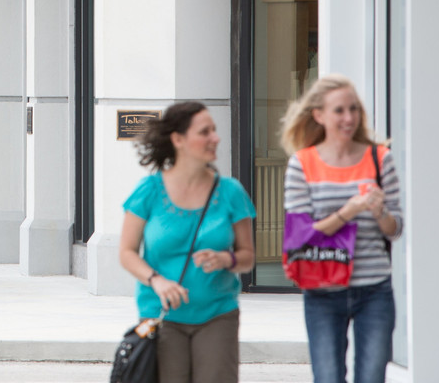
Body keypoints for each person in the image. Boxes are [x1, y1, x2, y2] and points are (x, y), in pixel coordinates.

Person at [119, 101, 256, 383]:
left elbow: (248, 256)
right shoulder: (149, 191)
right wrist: (156, 280)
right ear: (178, 139)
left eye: (214, 131)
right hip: (161, 316)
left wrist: (226, 259)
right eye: (205, 132)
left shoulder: (231, 192)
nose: (215, 138)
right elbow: (127, 252)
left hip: (217, 314)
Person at [281, 75, 403, 383]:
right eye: (339, 111)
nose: (348, 118)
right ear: (319, 115)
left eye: (354, 109)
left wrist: (379, 211)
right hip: (322, 290)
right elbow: (301, 234)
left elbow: (395, 228)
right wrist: (347, 212)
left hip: (374, 289)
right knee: (328, 377)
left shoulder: (379, 158)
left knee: (372, 377)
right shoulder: (302, 163)